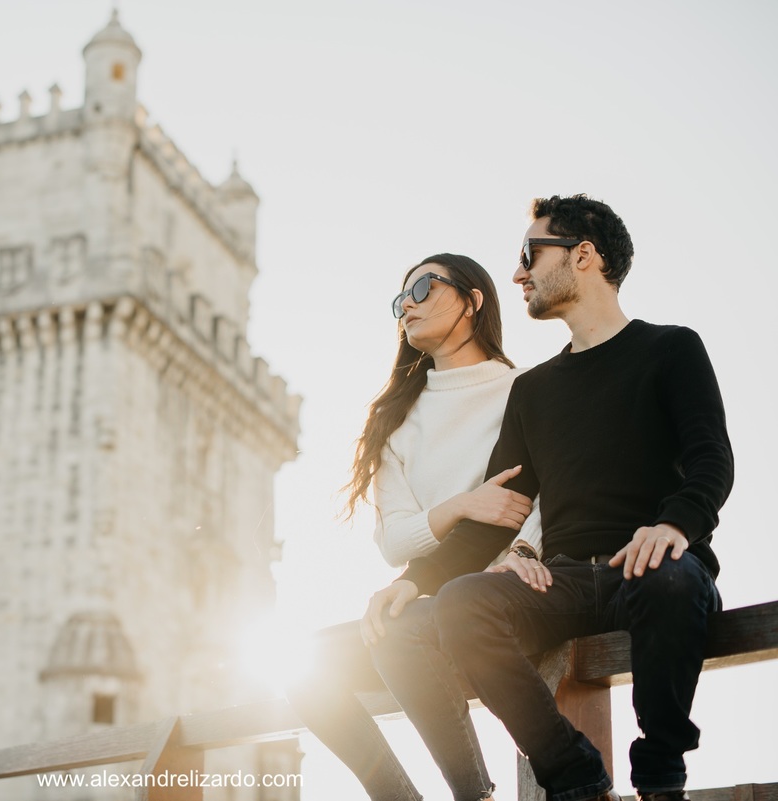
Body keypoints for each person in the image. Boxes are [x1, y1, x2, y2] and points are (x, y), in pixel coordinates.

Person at [363, 195, 733, 801]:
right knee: (461, 602)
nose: (518, 274)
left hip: (656, 572)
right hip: (563, 583)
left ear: (584, 255)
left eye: (531, 254)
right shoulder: (533, 390)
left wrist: (673, 527)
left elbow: (711, 460)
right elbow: (498, 517)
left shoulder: (672, 349)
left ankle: (661, 778)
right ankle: (577, 779)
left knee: (669, 577)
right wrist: (417, 579)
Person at [287, 253, 545, 801]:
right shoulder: (396, 421)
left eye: (424, 288)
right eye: (400, 298)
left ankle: (472, 796)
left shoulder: (529, 389)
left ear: (473, 301)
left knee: (404, 632)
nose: (408, 305)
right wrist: (463, 504)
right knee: (306, 668)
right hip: (426, 604)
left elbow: (547, 500)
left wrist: (524, 552)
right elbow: (394, 541)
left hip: (510, 596)